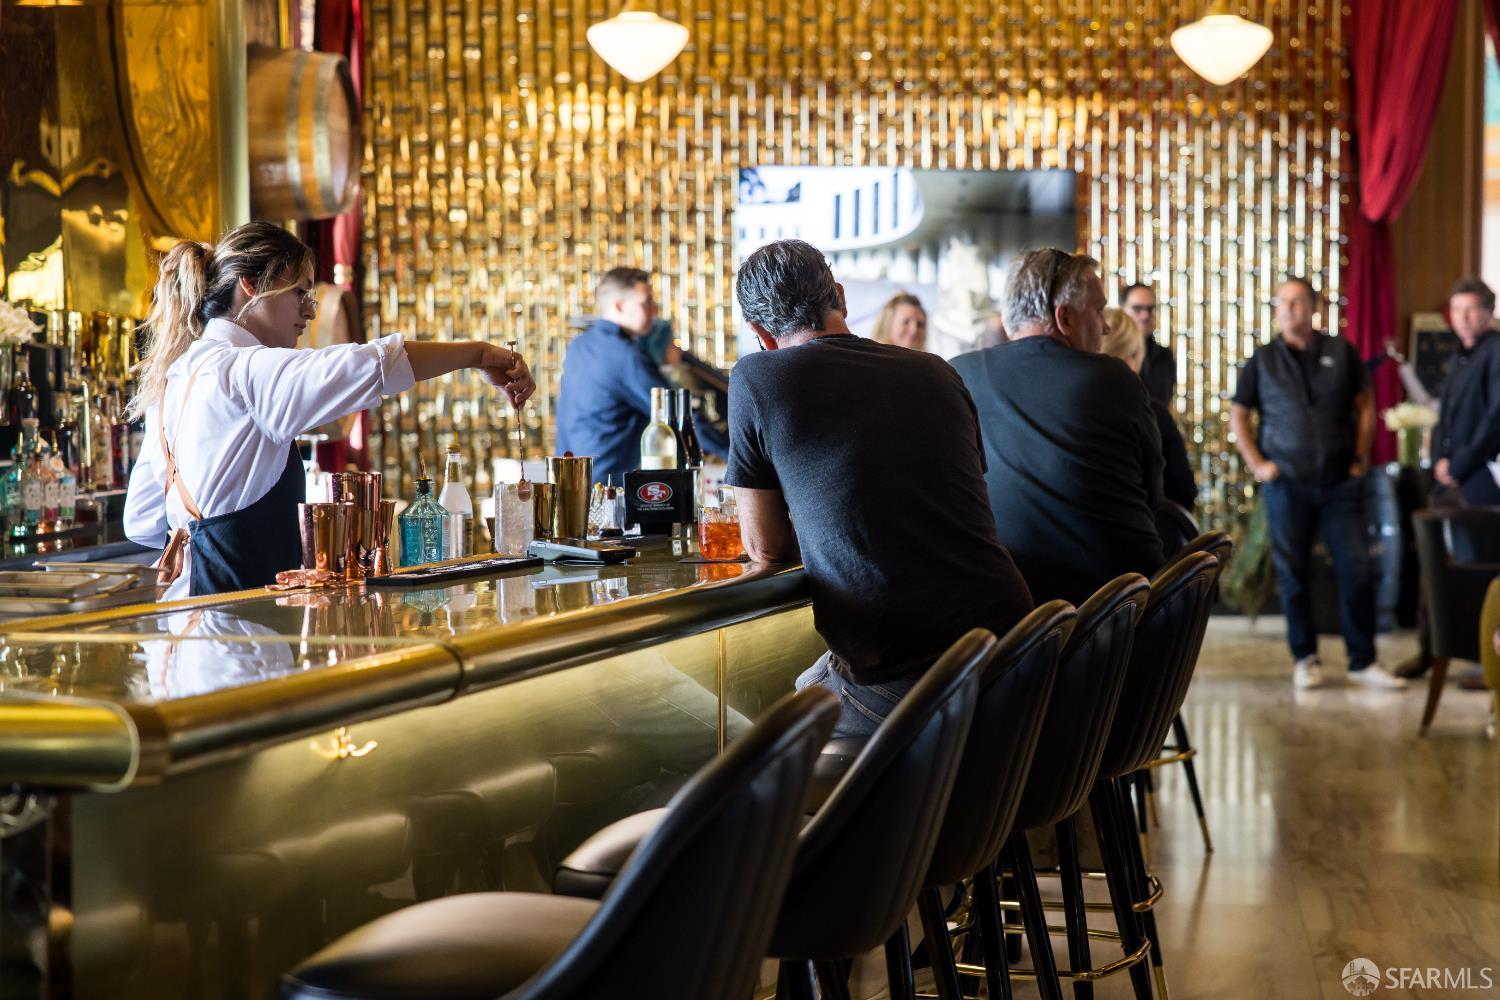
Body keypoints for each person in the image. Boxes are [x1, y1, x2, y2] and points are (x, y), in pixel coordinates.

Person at [123, 223, 534, 601]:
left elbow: (140, 520)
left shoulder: (177, 377)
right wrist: (479, 354)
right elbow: (375, 364)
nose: (310, 310)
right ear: (250, 285)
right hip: (242, 638)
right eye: (298, 292)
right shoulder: (249, 370)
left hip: (182, 623)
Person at [725, 239, 1033, 738]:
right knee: (809, 681)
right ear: (840, 299)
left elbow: (766, 546)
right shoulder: (938, 371)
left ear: (759, 332)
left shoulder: (758, 375)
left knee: (760, 742)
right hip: (1017, 649)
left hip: (909, 675)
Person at [951, 249, 1164, 606]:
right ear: (1064, 317)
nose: (1107, 325)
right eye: (1099, 311)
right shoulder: (1114, 378)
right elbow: (1153, 492)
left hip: (1006, 618)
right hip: (1117, 608)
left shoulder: (958, 375)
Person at [1229, 278, 1405, 690]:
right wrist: (1258, 464)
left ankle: (1363, 661)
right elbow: (1239, 414)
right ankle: (1305, 657)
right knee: (1294, 574)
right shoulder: (1262, 360)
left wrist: (1361, 458)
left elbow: (1365, 407)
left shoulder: (1341, 352)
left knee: (1356, 569)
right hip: (1286, 485)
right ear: (1276, 310)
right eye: (1283, 302)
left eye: (1297, 302)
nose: (1289, 309)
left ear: (1314, 308)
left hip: (1340, 484)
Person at [555, 268, 727, 485]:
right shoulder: (625, 356)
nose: (654, 311)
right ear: (619, 306)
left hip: (572, 477)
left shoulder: (579, 345)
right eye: (646, 303)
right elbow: (677, 414)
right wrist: (734, 454)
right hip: (608, 484)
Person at [1101, 306, 1197, 510]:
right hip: (1142, 531)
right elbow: (1184, 491)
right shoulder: (1150, 413)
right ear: (1131, 359)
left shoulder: (1069, 408)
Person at [1432, 277, 1500, 506]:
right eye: (1456, 309)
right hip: (1453, 469)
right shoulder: (1459, 356)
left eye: (1470, 309)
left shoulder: (1496, 350)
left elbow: (1495, 416)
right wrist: (1440, 458)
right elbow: (1445, 414)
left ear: (1488, 312)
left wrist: (1459, 465)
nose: (1463, 317)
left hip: (1482, 470)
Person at [1123, 282, 1175, 408]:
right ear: (1122, 310)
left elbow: (1162, 403)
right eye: (1137, 309)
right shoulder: (1109, 351)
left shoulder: (1164, 355)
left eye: (1150, 309)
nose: (1145, 315)